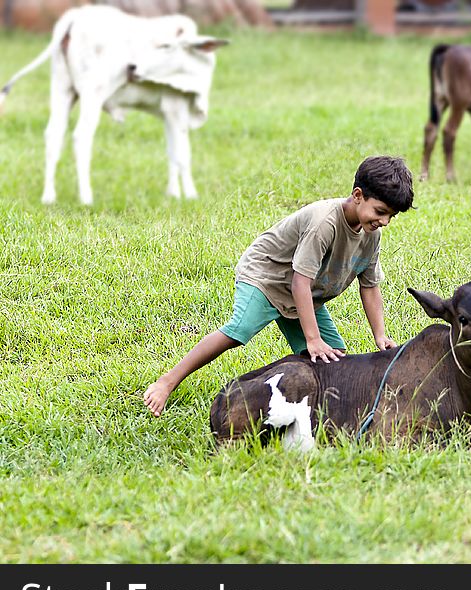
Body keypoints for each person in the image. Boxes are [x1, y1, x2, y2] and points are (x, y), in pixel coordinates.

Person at [144, 155, 414, 416]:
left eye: (391, 216)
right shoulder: (325, 222)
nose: (385, 221)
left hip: (304, 291)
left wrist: (379, 334)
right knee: (240, 330)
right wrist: (312, 339)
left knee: (334, 356)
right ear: (357, 195)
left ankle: (305, 406)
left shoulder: (371, 235)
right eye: (380, 212)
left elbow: (369, 286)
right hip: (267, 277)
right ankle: (168, 381)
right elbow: (300, 281)